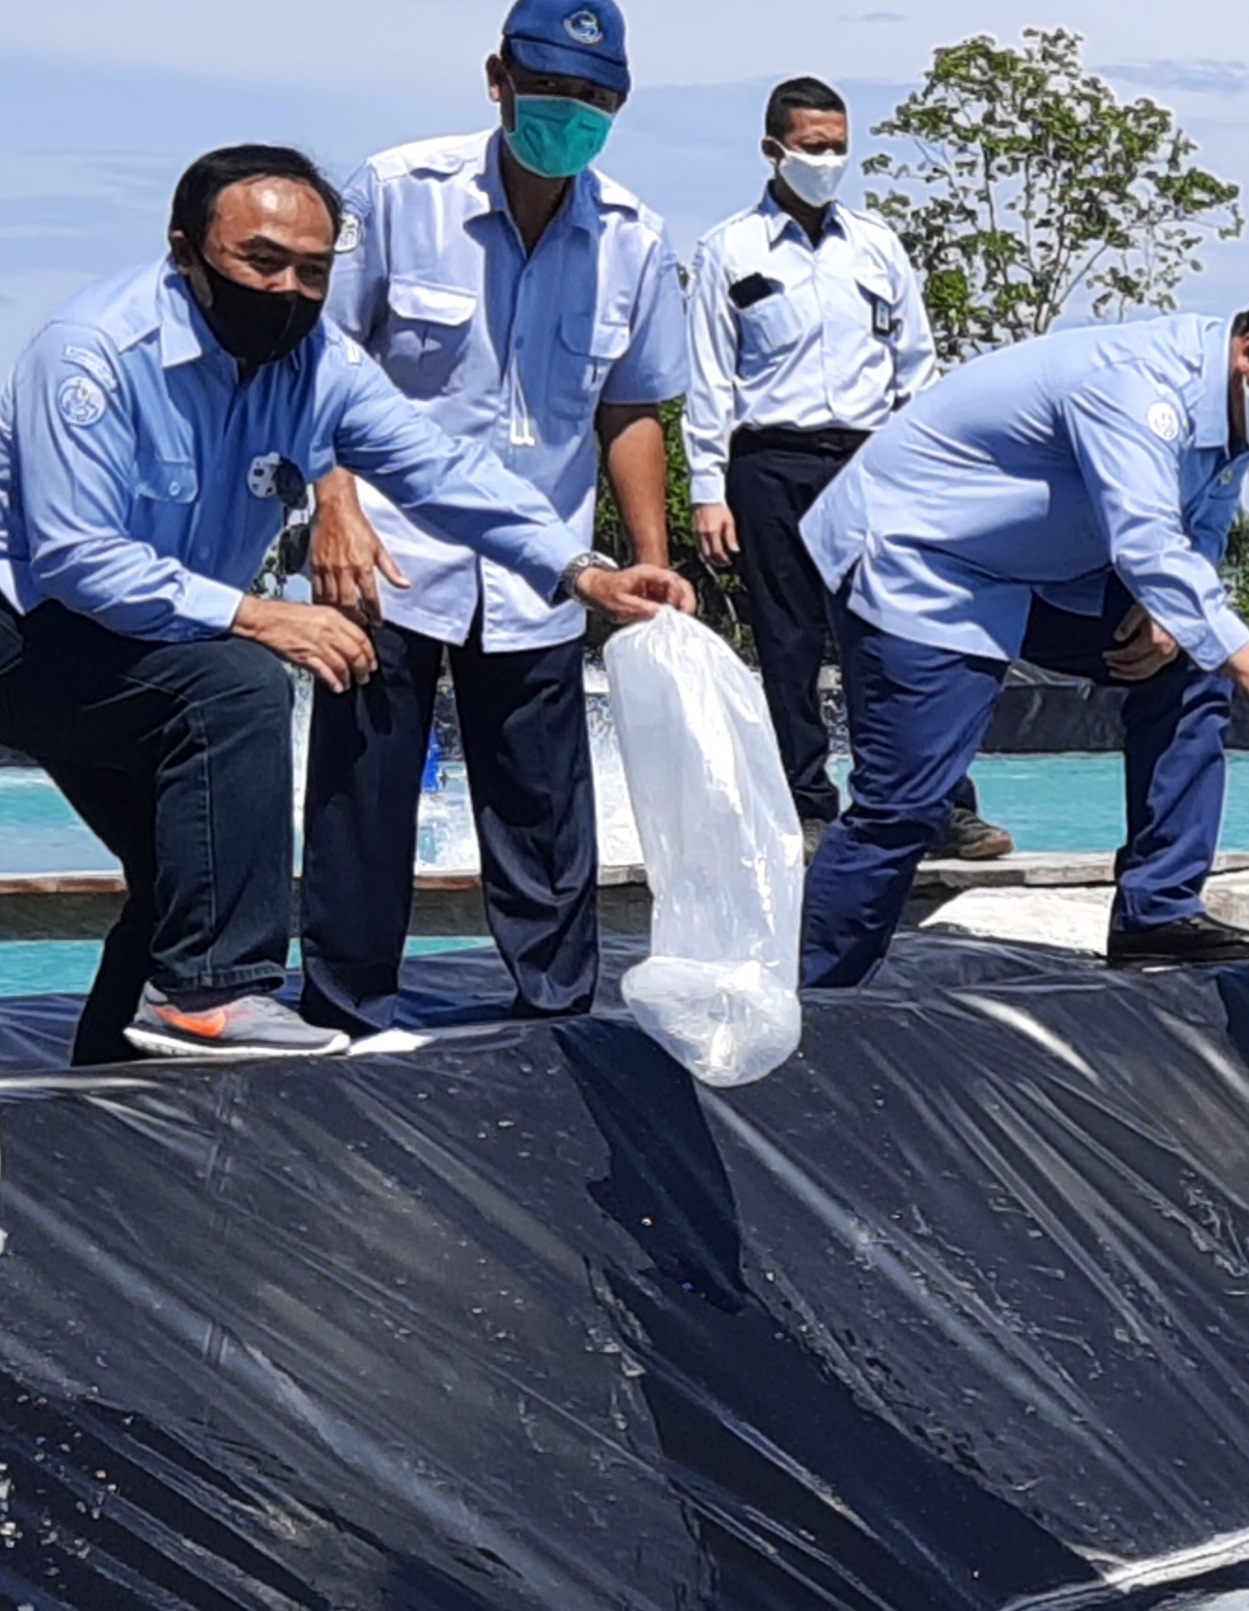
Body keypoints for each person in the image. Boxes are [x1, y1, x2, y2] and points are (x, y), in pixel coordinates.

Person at [0, 144, 684, 1064]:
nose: (288, 289)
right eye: (261, 261)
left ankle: (112, 1098)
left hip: (136, 646)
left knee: (187, 869)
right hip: (28, 629)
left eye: (313, 271)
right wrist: (261, 616)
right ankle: (211, 993)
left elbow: (440, 469)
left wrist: (580, 570)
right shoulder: (91, 355)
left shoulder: (317, 362)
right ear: (185, 252)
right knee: (236, 687)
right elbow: (78, 560)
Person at [296, 0, 695, 1036]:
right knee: (361, 799)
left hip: (542, 562)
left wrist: (650, 561)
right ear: (499, 79)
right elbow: (321, 366)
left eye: (593, 96)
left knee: (543, 807)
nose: (569, 111)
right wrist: (332, 508)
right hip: (387, 553)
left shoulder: (634, 238)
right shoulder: (397, 194)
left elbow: (631, 409)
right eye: (550, 86)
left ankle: (555, 1019)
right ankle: (345, 1014)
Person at [795, 273, 1249, 987]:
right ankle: (817, 994)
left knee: (1191, 660)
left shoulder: (1236, 410)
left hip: (1032, 572)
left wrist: (1170, 612)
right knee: (906, 801)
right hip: (919, 558)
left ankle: (1157, 910)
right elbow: (1145, 542)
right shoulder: (1138, 387)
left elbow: (1202, 530)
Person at [683, 76, 1010, 863]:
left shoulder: (877, 245)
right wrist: (707, 488)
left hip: (872, 461)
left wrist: (933, 472)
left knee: (904, 634)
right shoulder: (729, 249)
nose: (828, 161)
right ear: (773, 150)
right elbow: (709, 380)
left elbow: (916, 368)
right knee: (789, 644)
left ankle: (934, 803)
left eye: (838, 147)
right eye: (813, 147)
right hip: (770, 462)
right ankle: (806, 806)